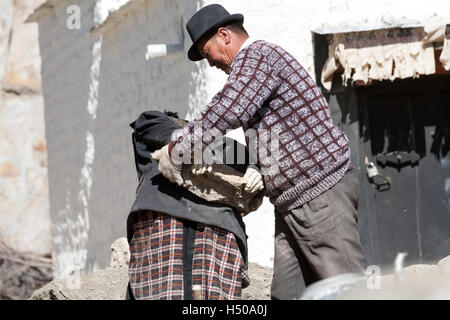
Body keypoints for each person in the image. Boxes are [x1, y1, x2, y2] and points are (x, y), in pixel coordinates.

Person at [153, 4, 368, 299]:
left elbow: (227, 109)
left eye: (207, 54)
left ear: (224, 35)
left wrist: (177, 149)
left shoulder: (257, 57)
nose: (211, 63)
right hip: (294, 202)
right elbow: (270, 130)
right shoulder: (256, 66)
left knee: (349, 289)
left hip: (320, 195)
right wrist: (257, 167)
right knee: (286, 293)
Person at [126, 110, 263, 300]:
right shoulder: (156, 122)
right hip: (172, 220)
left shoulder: (225, 145)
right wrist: (191, 146)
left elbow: (256, 163)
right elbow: (150, 124)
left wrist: (255, 170)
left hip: (213, 227)